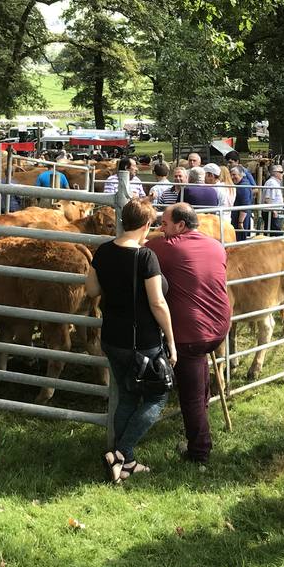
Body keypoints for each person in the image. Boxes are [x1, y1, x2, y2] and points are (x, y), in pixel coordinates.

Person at [86, 199, 176, 482]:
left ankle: (120, 459)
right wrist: (171, 342)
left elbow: (91, 290)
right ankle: (123, 454)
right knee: (157, 396)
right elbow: (158, 303)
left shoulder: (103, 251)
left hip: (112, 337)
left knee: (126, 396)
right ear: (147, 225)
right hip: (144, 341)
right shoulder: (146, 257)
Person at [146, 204, 231, 466]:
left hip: (192, 332)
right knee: (198, 374)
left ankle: (199, 450)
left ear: (180, 226)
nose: (161, 228)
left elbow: (140, 247)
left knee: (190, 395)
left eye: (165, 224)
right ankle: (201, 422)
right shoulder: (216, 245)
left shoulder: (166, 247)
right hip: (219, 326)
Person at [228, 157, 256, 240]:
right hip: (241, 217)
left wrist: (240, 222)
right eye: (231, 175)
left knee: (240, 239)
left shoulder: (242, 187)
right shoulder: (243, 184)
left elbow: (244, 206)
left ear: (240, 174)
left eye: (234, 175)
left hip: (240, 219)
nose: (232, 177)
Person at [261, 164, 284, 234]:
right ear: (275, 173)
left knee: (272, 234)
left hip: (272, 212)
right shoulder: (272, 183)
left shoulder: (273, 182)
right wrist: (274, 211)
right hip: (271, 213)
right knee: (276, 235)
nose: (283, 174)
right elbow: (267, 199)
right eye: (281, 172)